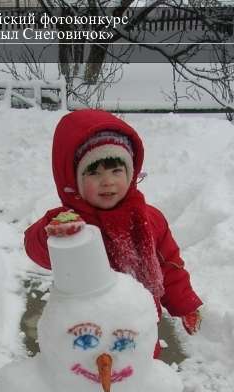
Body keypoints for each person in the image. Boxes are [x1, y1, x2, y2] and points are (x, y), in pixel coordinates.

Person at [24, 109, 203, 357]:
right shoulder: (70, 224)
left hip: (140, 327)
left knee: (139, 380)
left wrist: (185, 304)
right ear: (73, 180)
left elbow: (170, 266)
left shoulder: (149, 219)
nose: (107, 181)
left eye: (116, 171)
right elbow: (36, 249)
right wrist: (54, 234)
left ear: (130, 174)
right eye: (94, 173)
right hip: (87, 335)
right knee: (88, 384)